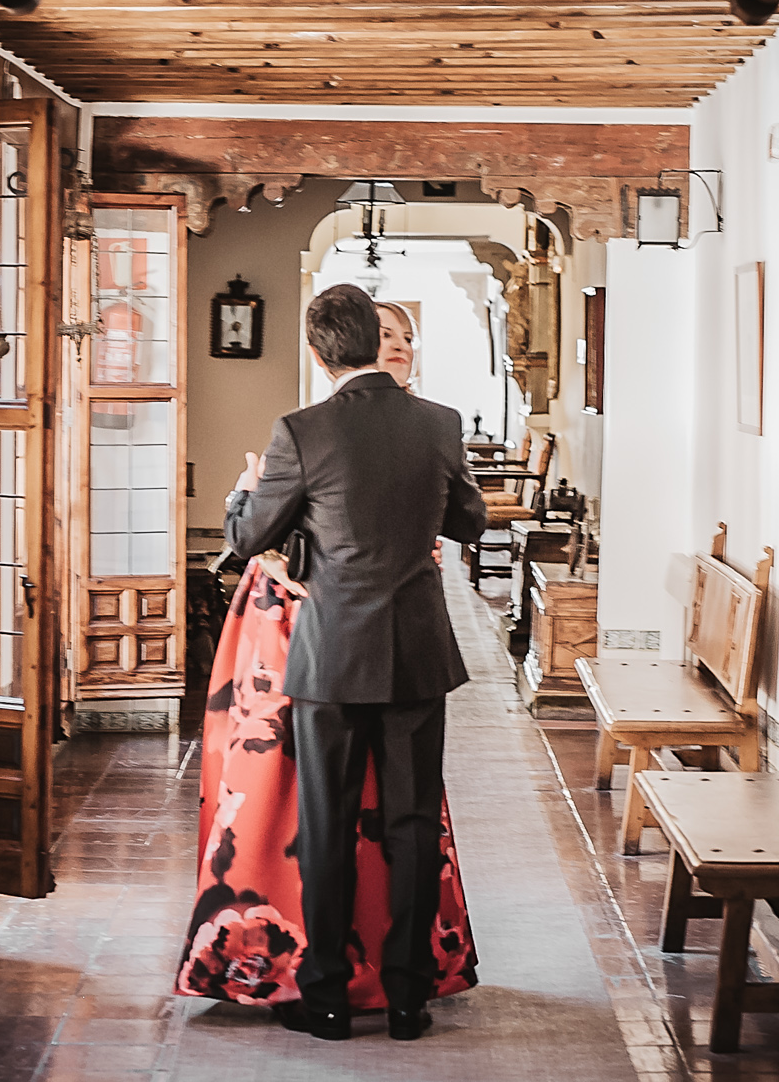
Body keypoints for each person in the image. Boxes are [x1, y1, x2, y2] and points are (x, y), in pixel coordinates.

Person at [179, 284, 489, 1042]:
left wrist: (242, 491)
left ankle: (324, 997)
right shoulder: (438, 423)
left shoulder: (302, 430)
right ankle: (410, 997)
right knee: (413, 826)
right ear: (374, 342)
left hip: (330, 657)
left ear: (320, 353)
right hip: (415, 651)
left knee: (327, 822)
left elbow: (251, 536)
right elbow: (470, 520)